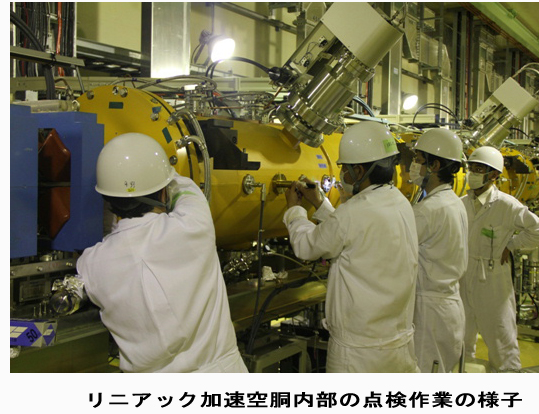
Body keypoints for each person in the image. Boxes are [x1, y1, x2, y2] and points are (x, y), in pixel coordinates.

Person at [76, 133, 248, 373]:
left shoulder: (91, 264)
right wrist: (161, 170)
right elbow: (186, 189)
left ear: (106, 199)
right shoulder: (192, 225)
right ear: (163, 192)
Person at [283, 121, 420, 373]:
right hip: (396, 345)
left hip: (358, 353)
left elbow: (306, 246)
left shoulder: (354, 212)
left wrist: (294, 210)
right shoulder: (399, 202)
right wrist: (320, 204)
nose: (342, 175)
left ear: (358, 170)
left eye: (344, 168)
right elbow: (353, 233)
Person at [460, 146, 539, 372]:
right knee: (461, 337)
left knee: (501, 336)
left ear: (493, 175)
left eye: (479, 169)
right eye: (471, 168)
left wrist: (512, 245)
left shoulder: (507, 205)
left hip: (492, 278)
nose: (472, 173)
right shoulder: (461, 203)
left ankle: (508, 380)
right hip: (463, 274)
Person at [409, 128, 468, 373]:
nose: (413, 166)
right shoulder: (454, 202)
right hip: (447, 307)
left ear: (434, 165)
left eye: (418, 160)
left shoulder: (428, 210)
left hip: (430, 312)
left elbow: (390, 245)